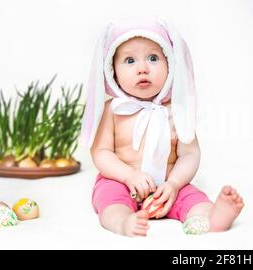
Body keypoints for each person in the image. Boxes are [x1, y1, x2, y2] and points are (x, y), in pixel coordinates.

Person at [81, 17, 244, 237]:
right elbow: (100, 153)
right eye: (130, 61)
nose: (142, 69)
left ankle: (212, 216)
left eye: (153, 57)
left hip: (167, 187)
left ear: (171, 63)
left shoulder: (177, 111)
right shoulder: (112, 110)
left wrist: (175, 184)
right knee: (109, 200)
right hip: (121, 182)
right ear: (112, 71)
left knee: (191, 197)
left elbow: (190, 154)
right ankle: (123, 222)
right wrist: (129, 176)